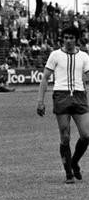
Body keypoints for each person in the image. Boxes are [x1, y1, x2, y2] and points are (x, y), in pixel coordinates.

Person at [37, 26, 89, 184]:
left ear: (76, 39)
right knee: (65, 136)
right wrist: (40, 101)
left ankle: (74, 162)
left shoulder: (84, 56)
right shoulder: (55, 55)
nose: (68, 40)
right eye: (65, 38)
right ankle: (69, 174)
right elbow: (45, 78)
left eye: (71, 38)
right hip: (61, 95)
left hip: (79, 96)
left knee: (86, 135)